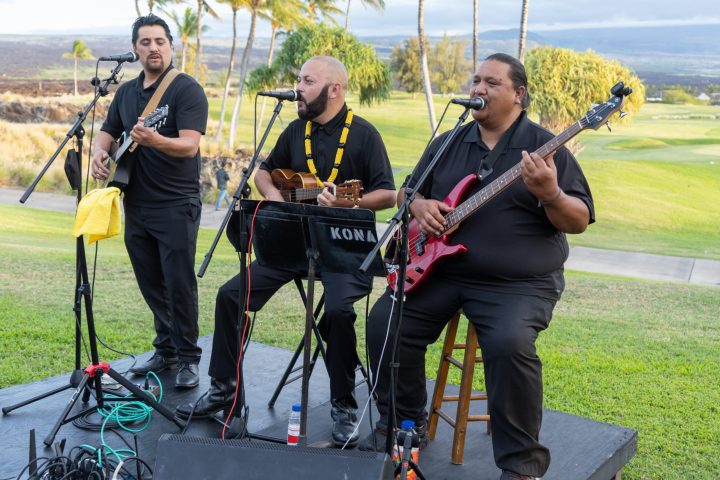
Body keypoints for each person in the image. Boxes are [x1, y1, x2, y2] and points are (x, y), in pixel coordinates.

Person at [360, 53, 594, 480]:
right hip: (441, 271)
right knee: (385, 322)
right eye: (476, 80)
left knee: (509, 343)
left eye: (491, 83)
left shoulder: (546, 148)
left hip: (518, 283)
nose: (478, 89)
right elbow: (407, 192)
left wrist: (551, 193)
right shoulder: (449, 142)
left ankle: (522, 465)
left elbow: (577, 220)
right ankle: (403, 423)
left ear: (518, 95)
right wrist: (420, 206)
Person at [176, 56, 396, 447]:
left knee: (341, 313)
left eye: (307, 81)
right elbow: (264, 170)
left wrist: (350, 204)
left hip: (344, 250)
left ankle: (344, 403)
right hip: (291, 244)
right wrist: (275, 197)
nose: (298, 87)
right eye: (298, 79)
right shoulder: (296, 130)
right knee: (230, 295)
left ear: (334, 90)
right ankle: (223, 389)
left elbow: (388, 194)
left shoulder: (364, 134)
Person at [92, 14, 209, 389]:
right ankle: (166, 349)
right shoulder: (126, 92)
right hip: (136, 203)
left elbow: (190, 144)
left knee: (178, 282)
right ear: (135, 48)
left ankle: (189, 357)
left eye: (159, 41)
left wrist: (154, 139)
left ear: (170, 46)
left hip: (176, 203)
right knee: (150, 281)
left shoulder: (185, 90)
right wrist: (99, 153)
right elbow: (108, 131)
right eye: (145, 42)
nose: (153, 47)